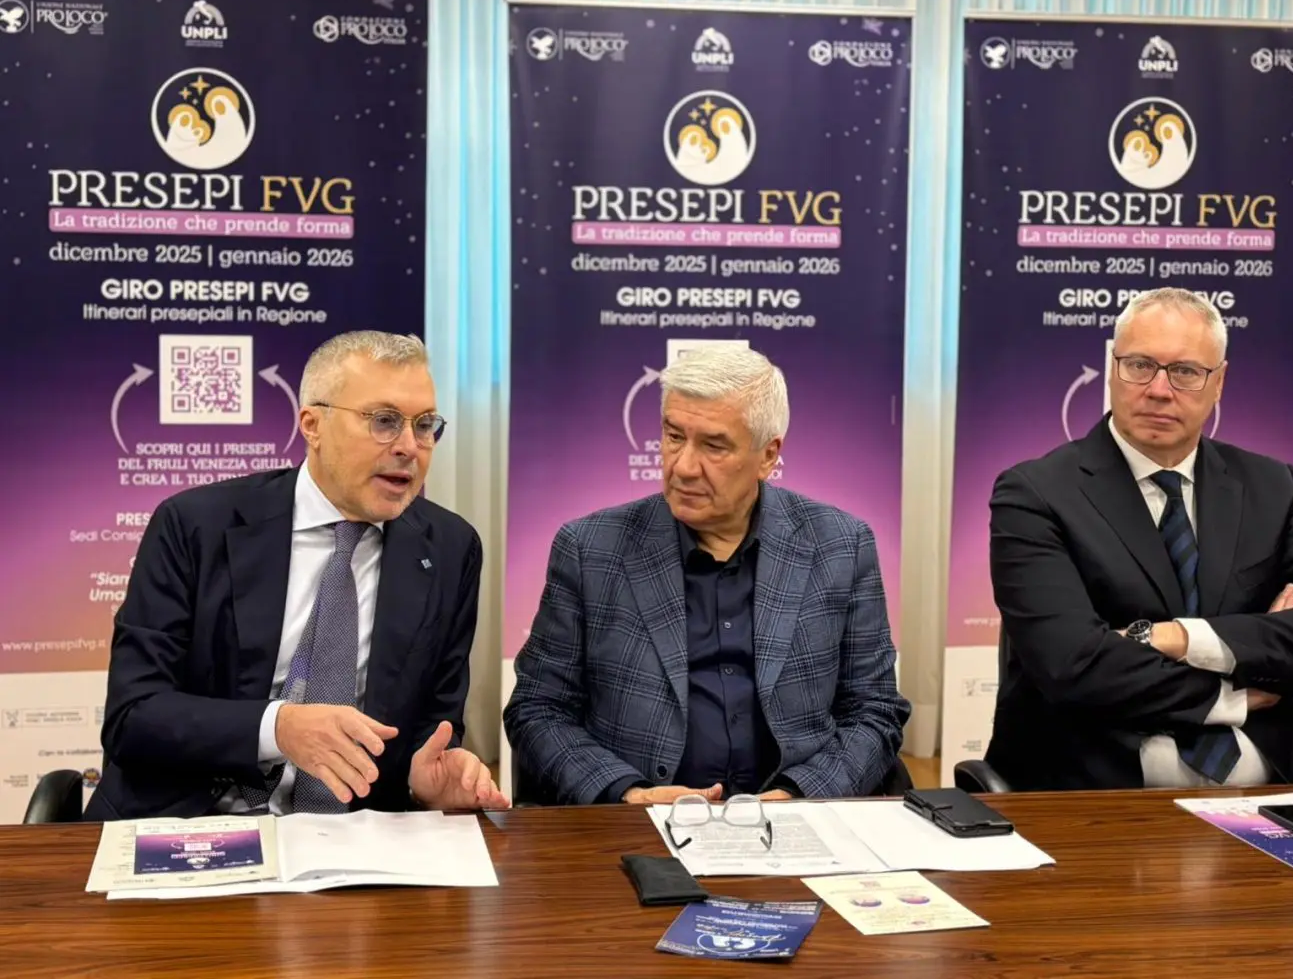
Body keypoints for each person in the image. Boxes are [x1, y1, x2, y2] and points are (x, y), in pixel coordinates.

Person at [87, 331, 507, 820]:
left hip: (356, 836)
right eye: (385, 421)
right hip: (188, 820)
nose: (410, 447)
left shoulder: (450, 548)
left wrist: (426, 782)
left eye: (425, 425)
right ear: (313, 425)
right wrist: (278, 728)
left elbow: (435, 725)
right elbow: (133, 714)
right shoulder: (195, 525)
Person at [504, 344, 909, 805]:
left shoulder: (840, 545)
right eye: (674, 436)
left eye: (714, 446)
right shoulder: (590, 549)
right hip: (640, 821)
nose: (683, 466)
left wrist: (799, 796)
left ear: (768, 456)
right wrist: (628, 794)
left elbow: (874, 711)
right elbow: (538, 709)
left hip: (796, 820)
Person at [986, 287, 1293, 790]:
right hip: (1096, 792)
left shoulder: (1274, 487)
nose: (1159, 389)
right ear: (1112, 368)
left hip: (1273, 787)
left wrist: (1175, 637)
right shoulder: (1034, 493)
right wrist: (1234, 691)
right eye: (1140, 365)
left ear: (1219, 382)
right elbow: (1072, 665)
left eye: (1185, 371)